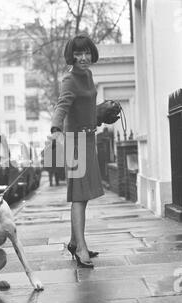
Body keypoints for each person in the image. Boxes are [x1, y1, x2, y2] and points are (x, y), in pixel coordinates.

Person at [50, 34, 120, 268]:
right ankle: (80, 248)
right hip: (75, 142)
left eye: (86, 52)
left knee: (85, 195)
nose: (83, 57)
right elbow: (62, 106)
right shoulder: (69, 79)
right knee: (79, 197)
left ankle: (74, 241)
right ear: (71, 55)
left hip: (88, 138)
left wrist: (98, 115)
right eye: (78, 53)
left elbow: (85, 105)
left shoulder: (88, 75)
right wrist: (55, 128)